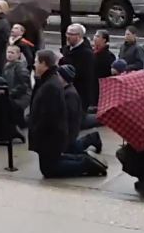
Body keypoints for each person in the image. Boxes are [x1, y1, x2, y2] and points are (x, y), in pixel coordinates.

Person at [29, 50, 107, 178]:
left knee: (49, 169)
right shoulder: (48, 81)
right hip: (50, 135)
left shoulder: (51, 85)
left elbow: (50, 115)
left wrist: (39, 131)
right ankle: (83, 159)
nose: (34, 65)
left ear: (44, 64)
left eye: (37, 62)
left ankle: (86, 163)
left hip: (50, 136)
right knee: (52, 163)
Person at [58, 64, 103, 155]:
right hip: (69, 129)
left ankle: (92, 138)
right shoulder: (65, 90)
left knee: (71, 150)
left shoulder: (70, 94)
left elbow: (71, 116)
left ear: (63, 78)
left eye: (58, 75)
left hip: (70, 131)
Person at [60, 23, 97, 111]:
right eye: (67, 33)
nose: (68, 36)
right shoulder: (67, 48)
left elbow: (83, 74)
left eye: (71, 34)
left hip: (80, 93)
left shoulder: (86, 53)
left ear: (79, 36)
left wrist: (63, 61)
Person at [3, 45, 31, 129]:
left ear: (18, 55)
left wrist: (10, 93)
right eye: (8, 52)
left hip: (22, 96)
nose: (9, 54)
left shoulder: (20, 67)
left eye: (12, 52)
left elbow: (24, 85)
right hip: (12, 94)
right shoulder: (6, 65)